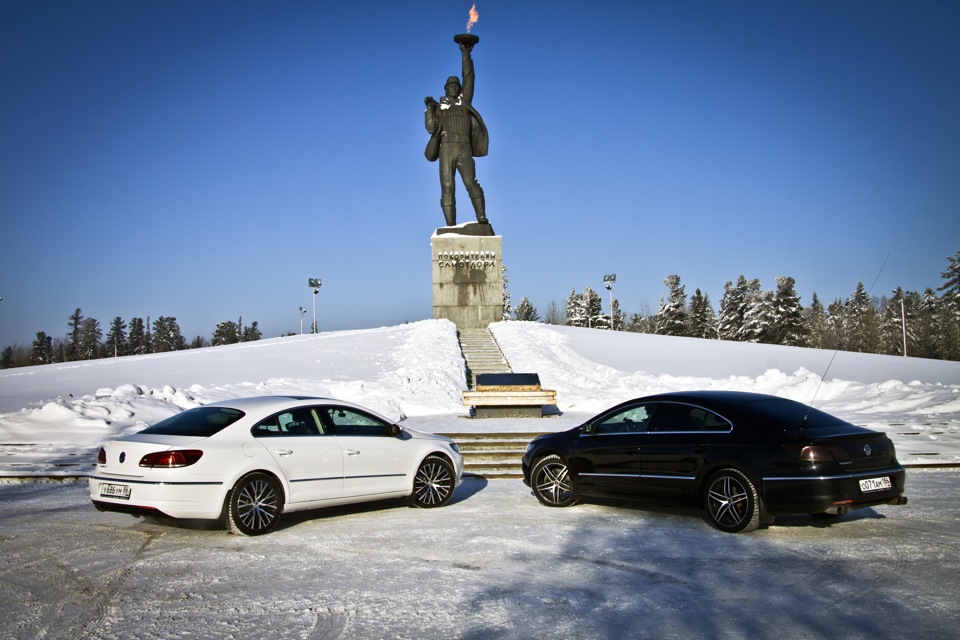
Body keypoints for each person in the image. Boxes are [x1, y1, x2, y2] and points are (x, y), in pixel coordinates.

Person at [424, 40, 489, 227]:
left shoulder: (464, 102)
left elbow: (469, 77)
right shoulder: (439, 108)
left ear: (460, 89)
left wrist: (465, 54)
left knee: (470, 182)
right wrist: (429, 109)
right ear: (445, 89)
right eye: (450, 85)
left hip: (464, 147)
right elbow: (430, 128)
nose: (453, 87)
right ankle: (450, 226)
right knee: (447, 187)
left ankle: (482, 216)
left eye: (456, 85)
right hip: (446, 148)